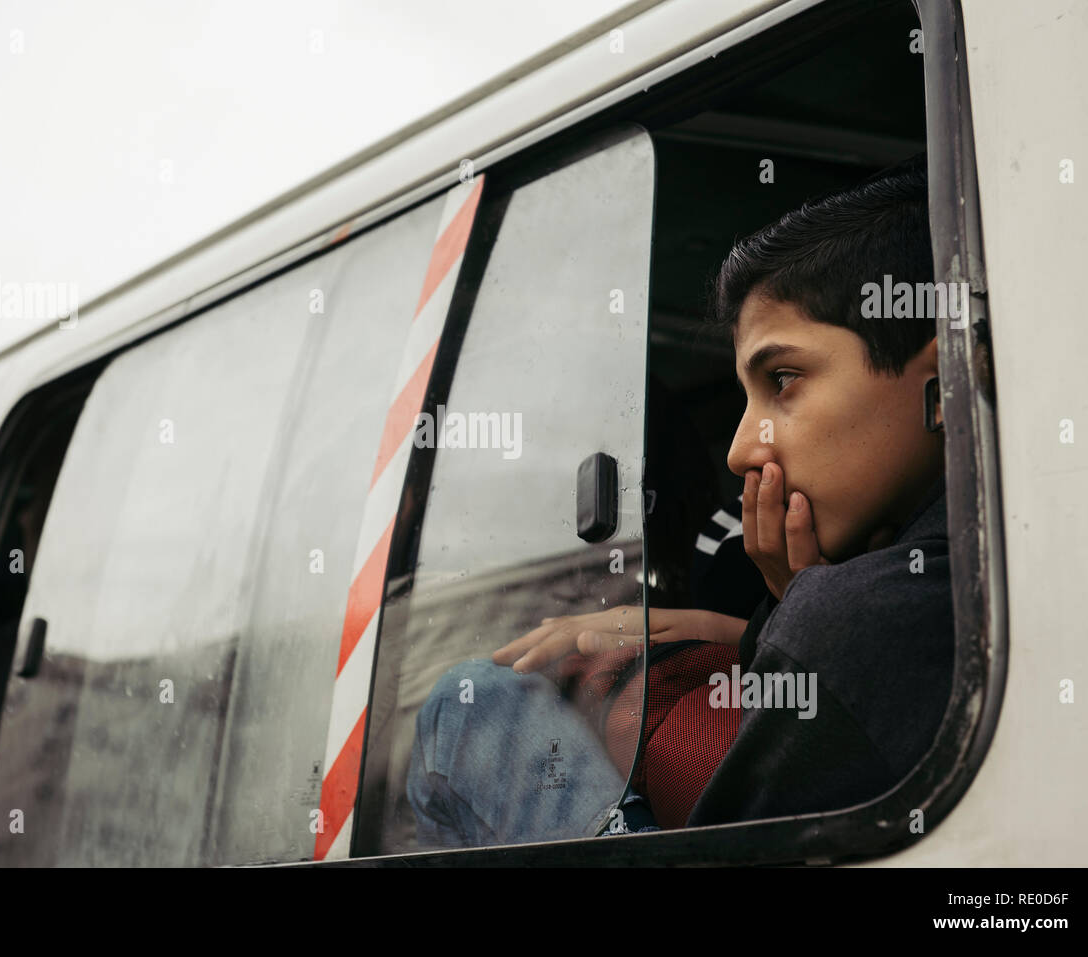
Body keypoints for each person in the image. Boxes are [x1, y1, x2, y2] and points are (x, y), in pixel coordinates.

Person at [406, 153, 954, 843]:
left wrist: (807, 612)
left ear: (945, 379)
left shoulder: (856, 613)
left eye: (783, 379)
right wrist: (762, 619)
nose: (738, 450)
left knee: (469, 705)